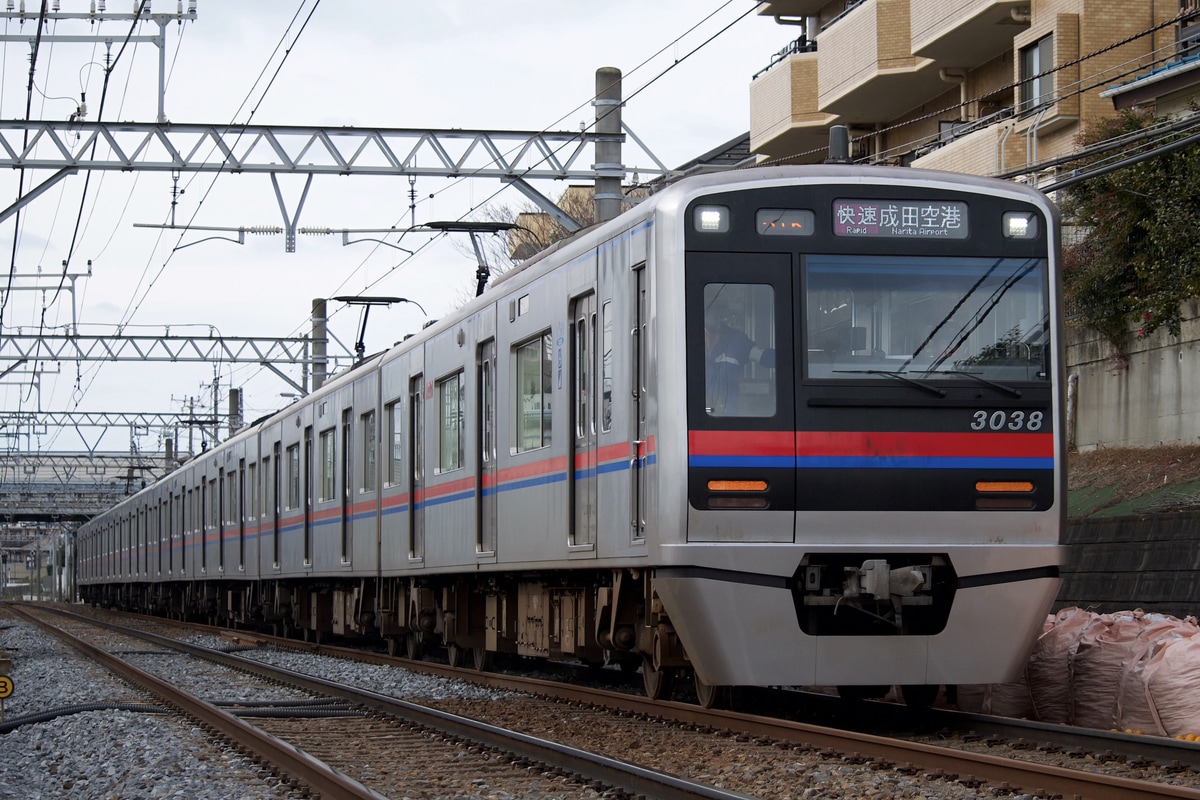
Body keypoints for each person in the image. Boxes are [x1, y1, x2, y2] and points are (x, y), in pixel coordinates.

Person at [704, 309, 775, 416]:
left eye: (718, 307)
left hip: (728, 416)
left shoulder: (735, 339)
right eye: (709, 308)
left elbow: (762, 356)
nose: (712, 313)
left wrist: (792, 357)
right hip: (693, 417)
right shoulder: (684, 336)